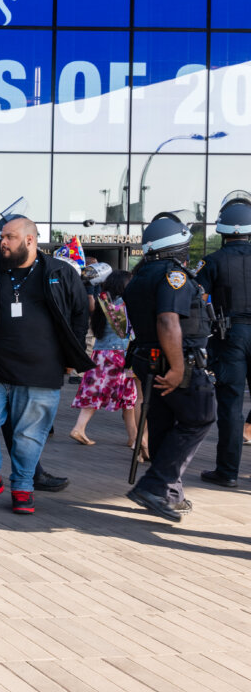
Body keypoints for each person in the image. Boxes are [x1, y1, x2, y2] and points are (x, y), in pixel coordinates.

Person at [0, 217, 92, 514]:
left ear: (30, 240)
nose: (3, 242)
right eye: (2, 237)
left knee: (29, 435)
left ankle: (23, 486)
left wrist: (71, 353)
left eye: (10, 237)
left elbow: (81, 313)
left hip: (41, 372)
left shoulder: (60, 272)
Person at [124, 213, 216, 521]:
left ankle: (169, 493)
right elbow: (167, 320)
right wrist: (177, 368)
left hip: (147, 360)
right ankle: (155, 485)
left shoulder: (141, 275)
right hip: (173, 362)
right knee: (200, 416)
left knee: (164, 423)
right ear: (177, 245)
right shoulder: (172, 275)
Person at [196, 191, 251, 489]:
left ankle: (228, 472)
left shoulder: (212, 261)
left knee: (231, 405)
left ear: (222, 230)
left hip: (229, 336)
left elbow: (198, 297)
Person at [69, 271, 139, 447]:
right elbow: (123, 331)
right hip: (120, 354)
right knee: (128, 396)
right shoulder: (121, 304)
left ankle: (132, 437)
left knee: (98, 392)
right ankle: (134, 438)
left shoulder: (103, 301)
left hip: (101, 354)